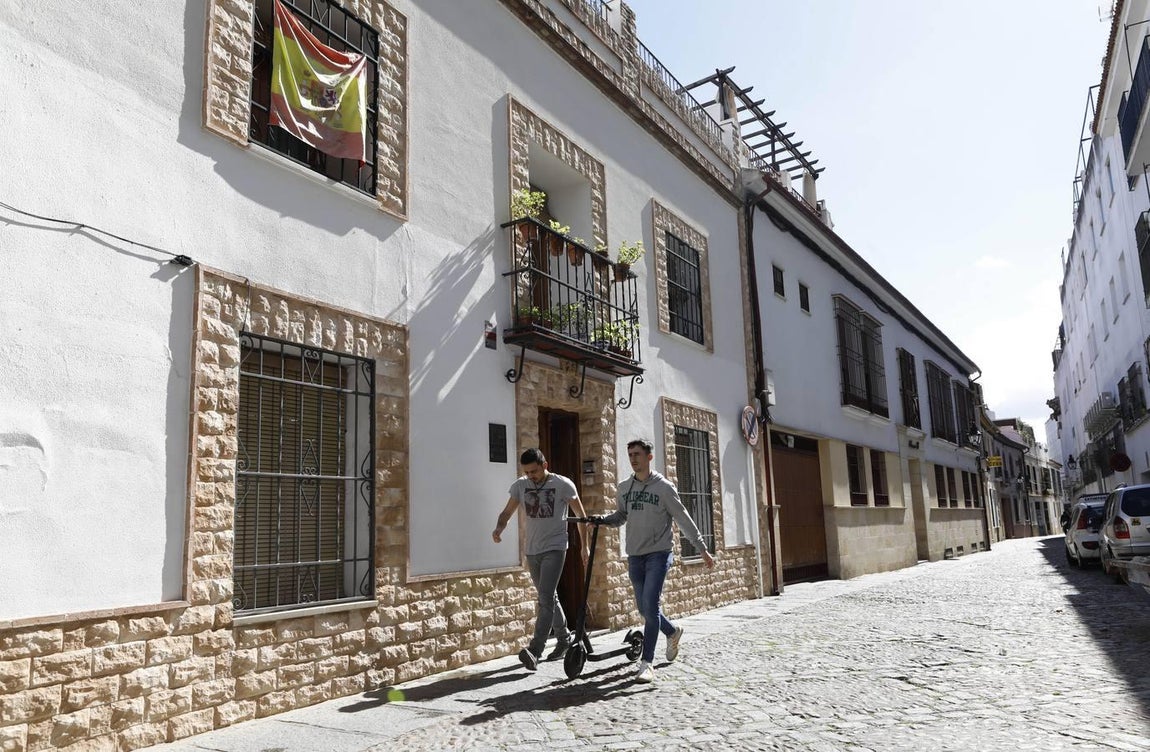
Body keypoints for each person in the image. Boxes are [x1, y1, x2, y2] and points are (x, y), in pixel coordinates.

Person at [594, 438, 715, 683]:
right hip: (635, 555)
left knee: (650, 605)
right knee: (645, 608)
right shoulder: (624, 487)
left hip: (659, 554)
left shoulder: (664, 487)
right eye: (630, 455)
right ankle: (672, 631)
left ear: (649, 457)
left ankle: (647, 663)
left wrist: (701, 547)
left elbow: (683, 518)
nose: (633, 459)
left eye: (637, 454)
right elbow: (621, 516)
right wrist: (603, 519)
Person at [492, 448, 587, 671]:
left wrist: (586, 548)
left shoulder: (563, 484)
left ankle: (535, 650)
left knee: (544, 598)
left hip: (555, 548)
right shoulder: (520, 486)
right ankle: (564, 639)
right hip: (532, 550)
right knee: (548, 598)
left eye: (534, 471)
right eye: (527, 472)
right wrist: (499, 528)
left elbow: (582, 517)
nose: (530, 476)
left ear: (545, 465)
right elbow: (507, 513)